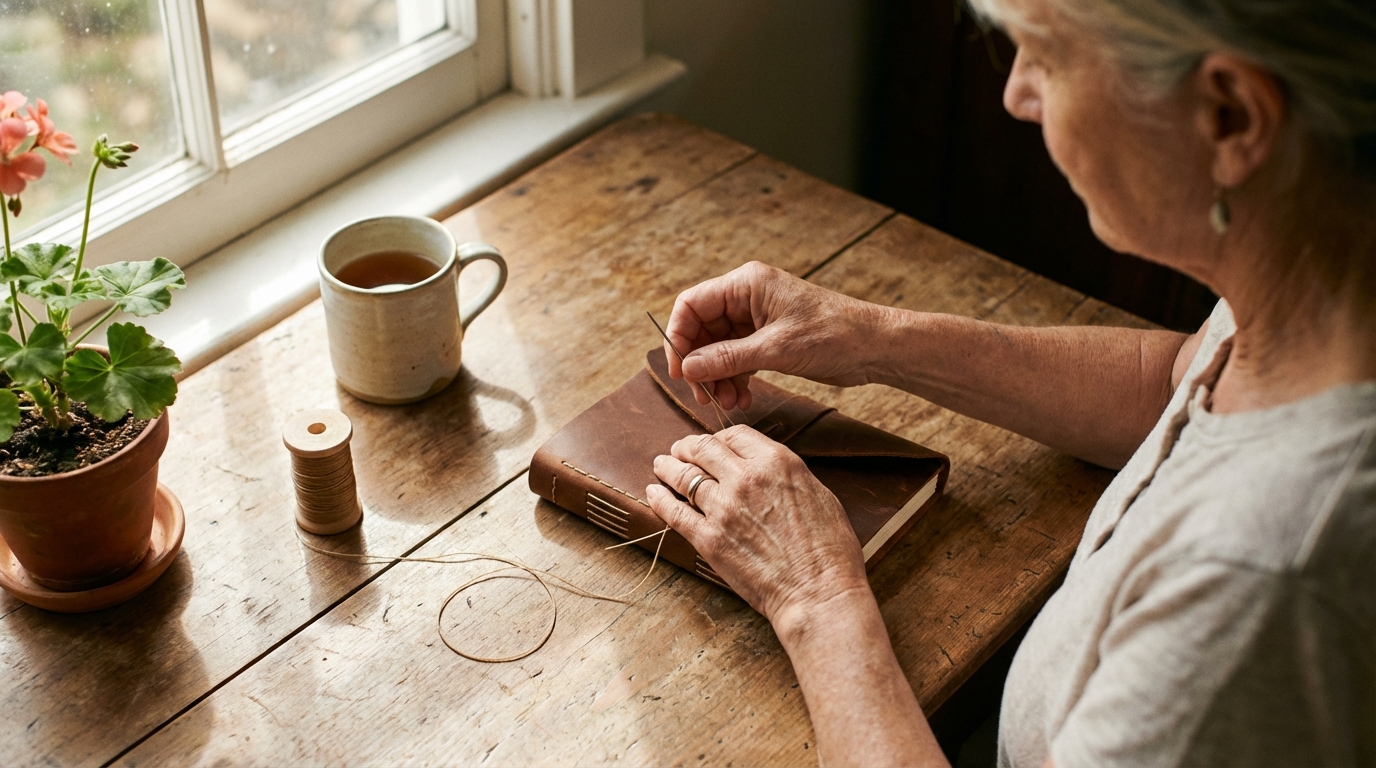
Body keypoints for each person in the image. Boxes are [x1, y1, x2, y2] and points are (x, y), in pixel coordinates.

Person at [643, 0, 1376, 765]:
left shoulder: (1261, 595)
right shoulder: (1327, 274)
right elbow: (1173, 384)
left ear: (1230, 117)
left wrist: (817, 601)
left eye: (1047, 59)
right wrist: (868, 340)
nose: (1016, 94)